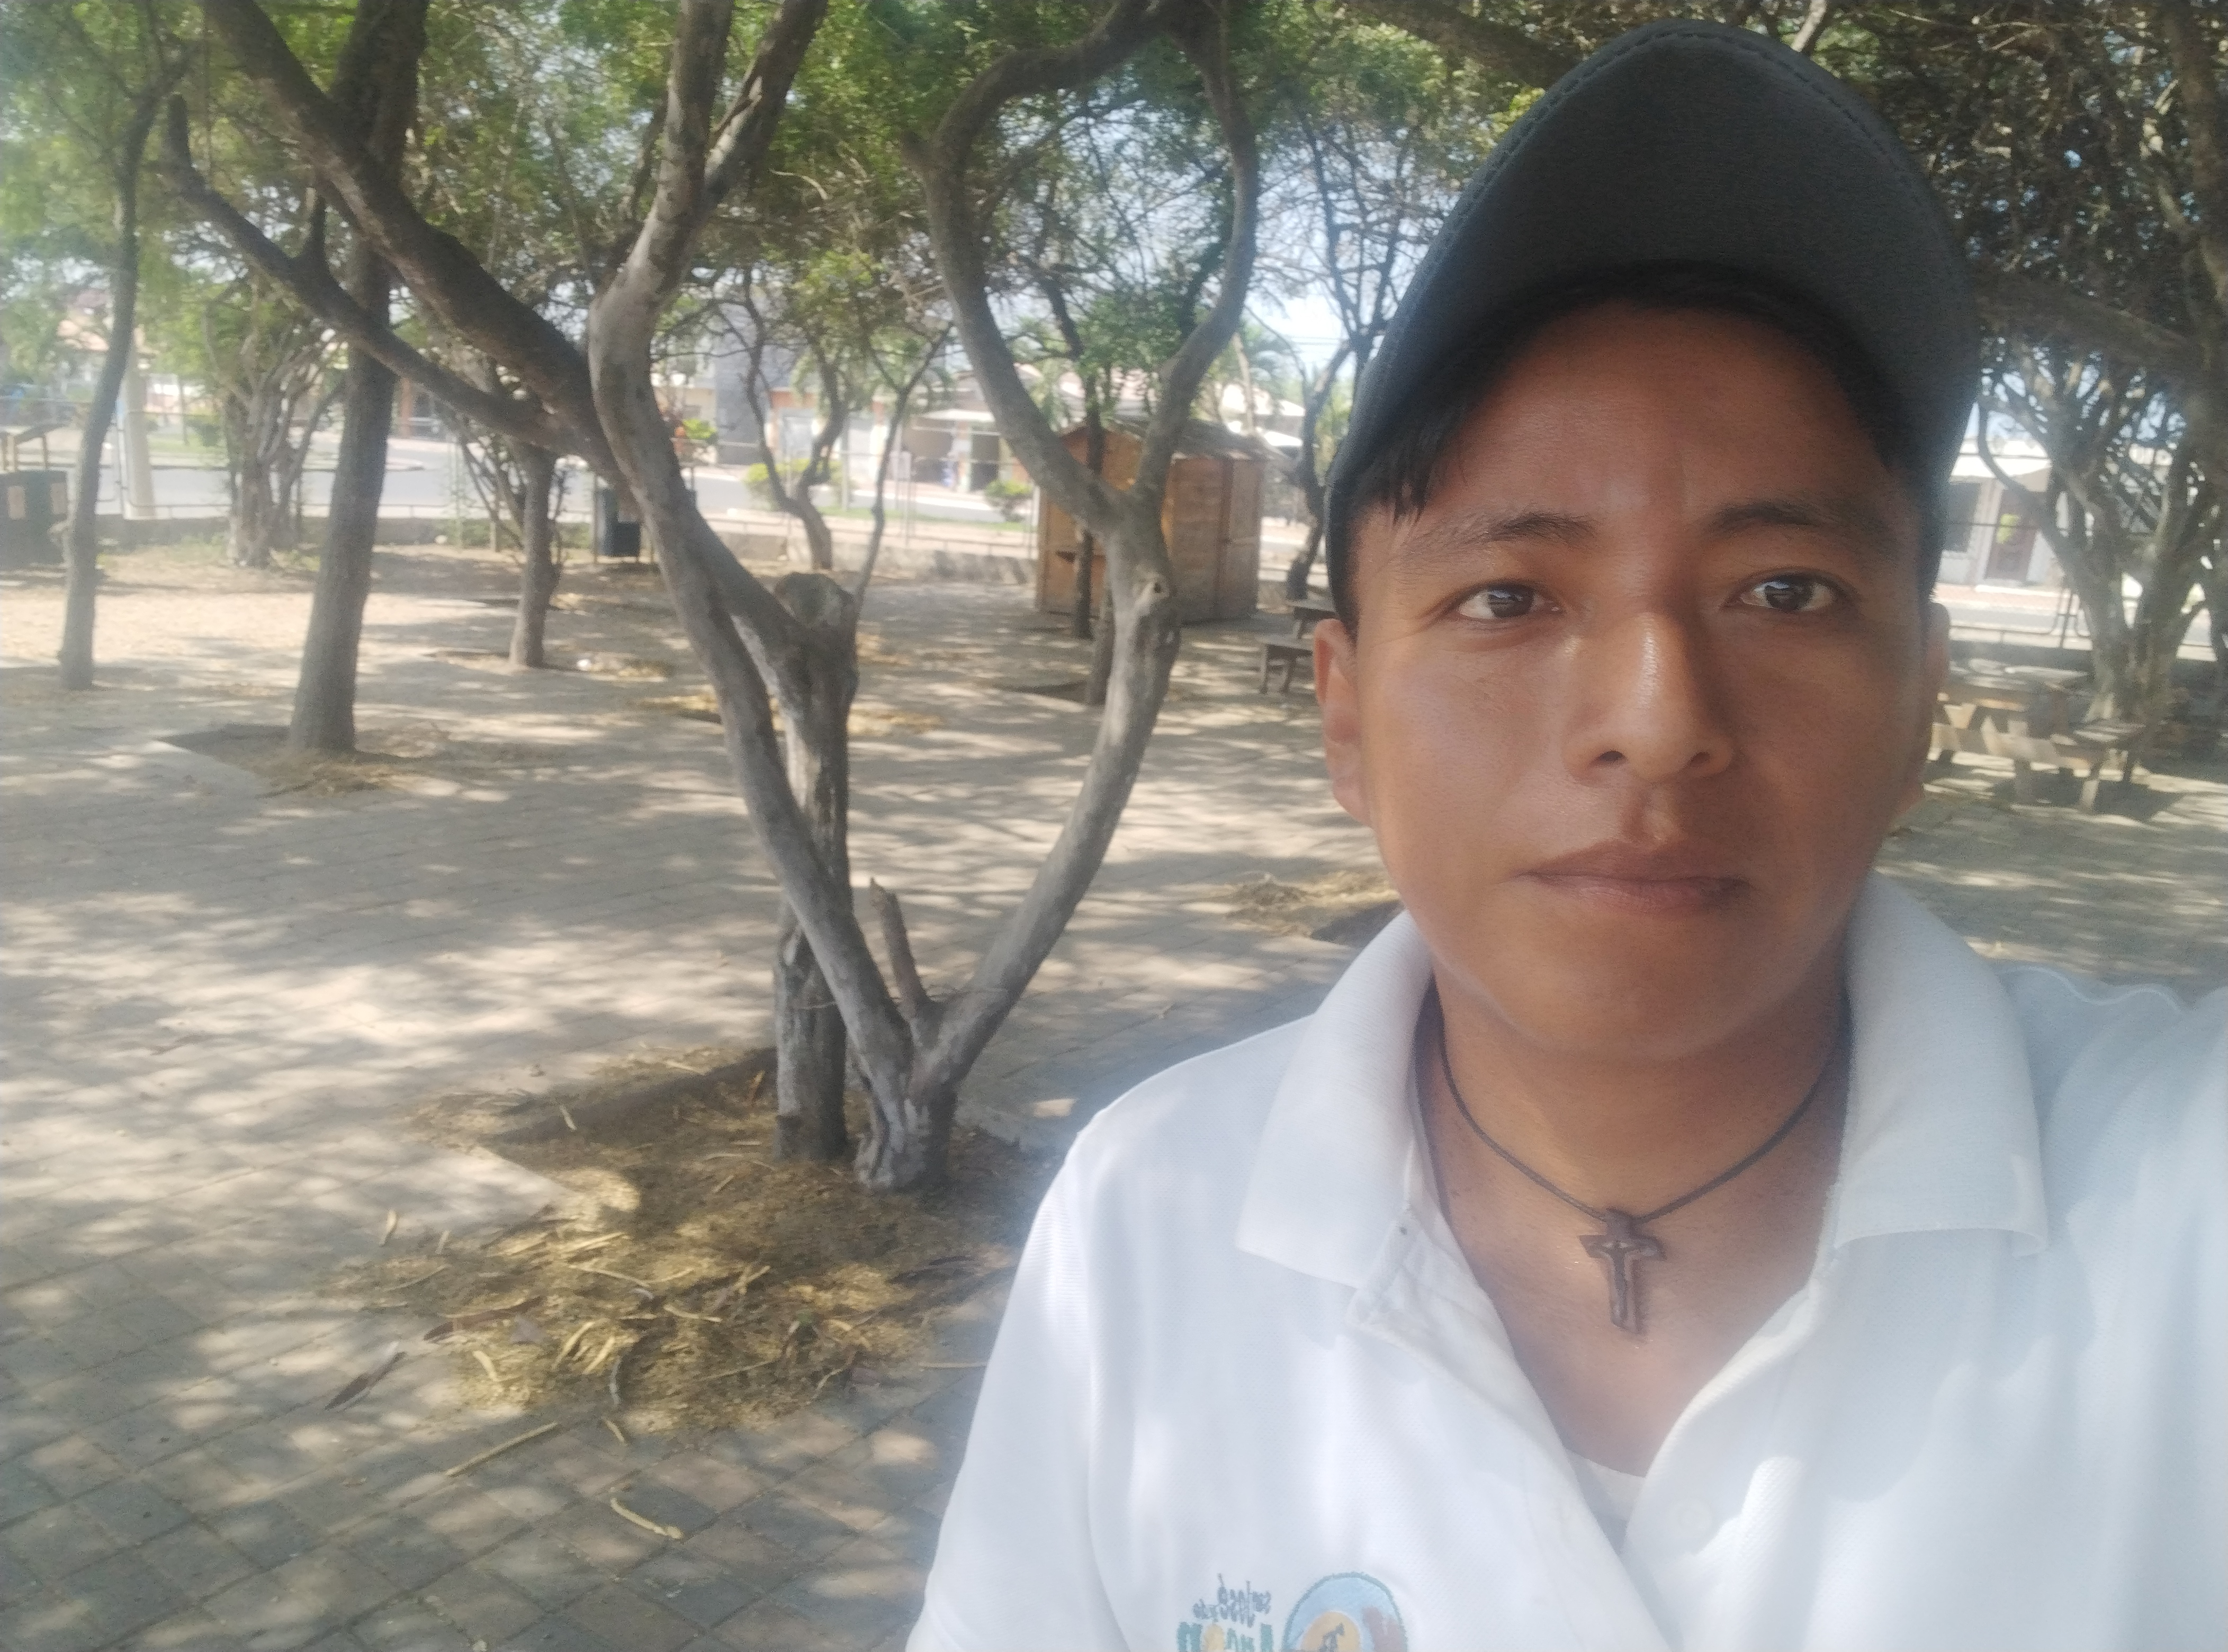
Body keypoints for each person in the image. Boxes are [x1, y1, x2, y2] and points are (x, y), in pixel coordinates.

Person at [910, 21, 2224, 1651]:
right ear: (1345, 716)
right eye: (1507, 598)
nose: (1658, 720)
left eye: (1786, 592)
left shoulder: (2180, 1196)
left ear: (1918, 706)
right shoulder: (1149, 1223)